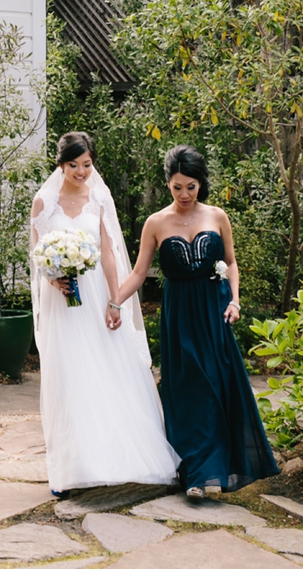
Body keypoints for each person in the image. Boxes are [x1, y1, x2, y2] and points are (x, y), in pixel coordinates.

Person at [115, 144, 279, 497]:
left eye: (191, 186)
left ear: (201, 183)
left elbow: (231, 262)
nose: (185, 194)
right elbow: (140, 272)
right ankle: (196, 475)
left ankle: (214, 471)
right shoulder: (155, 223)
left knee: (216, 388)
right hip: (179, 316)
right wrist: (114, 302)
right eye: (177, 187)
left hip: (214, 312)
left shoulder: (217, 216)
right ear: (167, 185)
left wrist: (235, 300)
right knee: (188, 390)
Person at [30, 131, 179, 495]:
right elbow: (37, 254)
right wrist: (54, 280)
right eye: (73, 165)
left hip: (96, 294)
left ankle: (122, 456)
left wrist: (117, 300)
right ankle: (73, 466)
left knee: (110, 366)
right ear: (60, 164)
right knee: (69, 373)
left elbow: (110, 252)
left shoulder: (99, 196)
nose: (81, 172)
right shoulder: (43, 201)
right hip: (62, 301)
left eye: (87, 165)